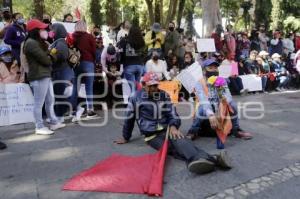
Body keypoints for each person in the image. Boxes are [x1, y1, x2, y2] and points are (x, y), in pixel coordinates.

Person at [114, 72, 232, 174]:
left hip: (168, 128)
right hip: (151, 135)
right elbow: (129, 118)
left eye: (156, 85)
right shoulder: (135, 97)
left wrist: (174, 126)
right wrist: (126, 137)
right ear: (143, 85)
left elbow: (173, 114)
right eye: (151, 86)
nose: (154, 88)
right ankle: (213, 159)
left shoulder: (163, 94)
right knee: (172, 149)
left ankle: (201, 161)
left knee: (182, 141)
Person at [186, 59, 253, 140]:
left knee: (233, 105)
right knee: (201, 109)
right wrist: (211, 114)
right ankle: (193, 130)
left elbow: (228, 96)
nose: (213, 70)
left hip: (220, 104)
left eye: (215, 68)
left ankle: (236, 129)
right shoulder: (199, 82)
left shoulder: (222, 80)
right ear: (204, 71)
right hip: (205, 105)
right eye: (210, 68)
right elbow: (203, 99)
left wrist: (221, 104)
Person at [24, 19, 66, 135]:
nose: (45, 31)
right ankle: (39, 126)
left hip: (45, 75)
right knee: (39, 103)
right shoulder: (31, 43)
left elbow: (48, 58)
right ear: (35, 31)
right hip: (39, 76)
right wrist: (52, 53)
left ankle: (53, 122)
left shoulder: (39, 42)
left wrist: (51, 54)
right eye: (42, 29)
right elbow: (46, 61)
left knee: (50, 100)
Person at [71, 20, 98, 119]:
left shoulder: (72, 37)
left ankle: (73, 110)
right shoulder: (89, 36)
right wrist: (94, 60)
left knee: (75, 88)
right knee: (89, 87)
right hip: (88, 63)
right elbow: (94, 50)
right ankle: (90, 110)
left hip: (76, 64)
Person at [50, 23, 75, 122]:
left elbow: (62, 56)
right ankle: (61, 114)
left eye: (52, 30)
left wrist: (51, 55)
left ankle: (59, 117)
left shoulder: (60, 43)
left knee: (59, 95)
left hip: (61, 72)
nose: (50, 32)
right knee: (60, 94)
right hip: (61, 72)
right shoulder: (58, 42)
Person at [118, 25, 145, 93]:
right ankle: (137, 102)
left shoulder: (125, 39)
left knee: (133, 89)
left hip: (129, 66)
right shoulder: (142, 41)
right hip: (140, 66)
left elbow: (119, 49)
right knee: (136, 88)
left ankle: (132, 103)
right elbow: (144, 54)